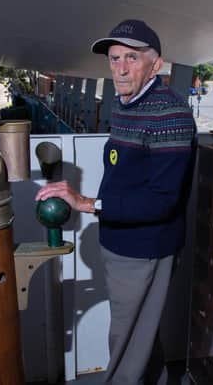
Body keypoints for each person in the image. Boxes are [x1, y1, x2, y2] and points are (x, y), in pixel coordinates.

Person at [35, 19, 196, 384]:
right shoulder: (129, 103)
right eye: (114, 58)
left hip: (143, 246)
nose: (120, 69)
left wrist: (88, 203)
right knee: (140, 329)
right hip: (120, 240)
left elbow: (162, 201)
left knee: (124, 337)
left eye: (132, 58)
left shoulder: (169, 114)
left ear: (156, 64)